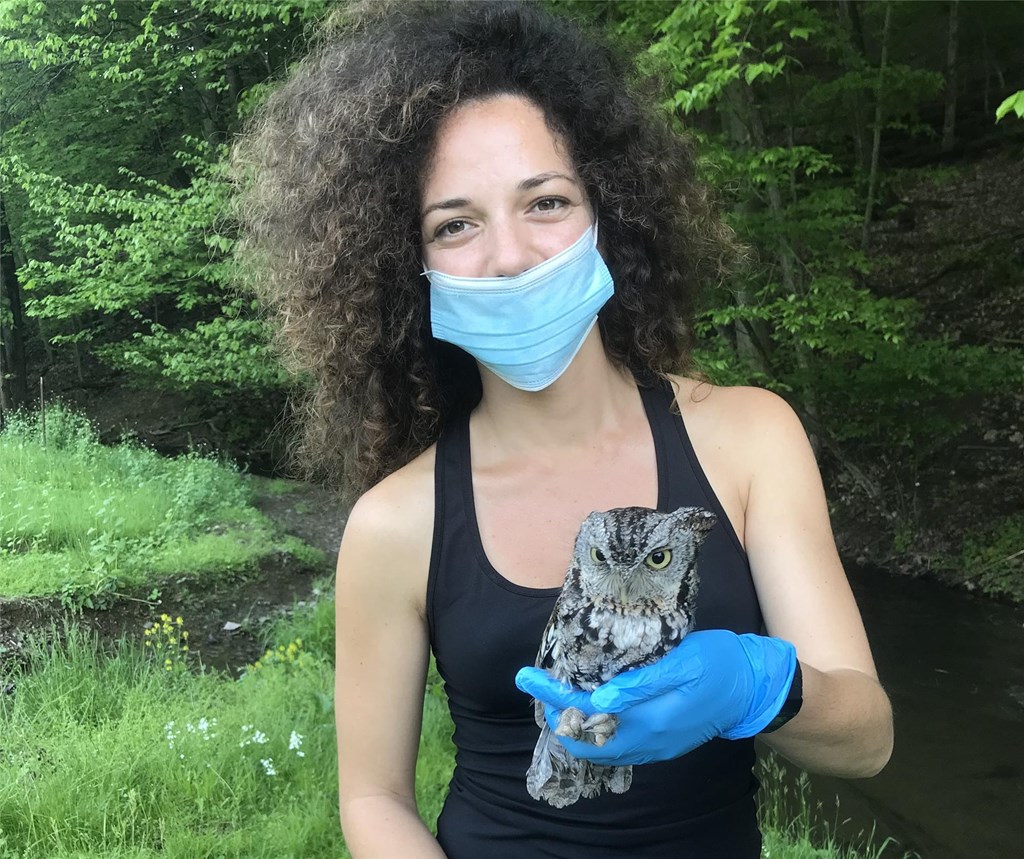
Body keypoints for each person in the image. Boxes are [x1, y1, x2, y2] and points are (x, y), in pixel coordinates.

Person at [232, 2, 893, 857]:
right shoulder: (396, 523)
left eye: (545, 201)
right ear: (409, 265)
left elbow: (868, 739)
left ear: (609, 215)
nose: (509, 255)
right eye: (455, 224)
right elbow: (373, 797)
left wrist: (757, 688)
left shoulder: (750, 439)